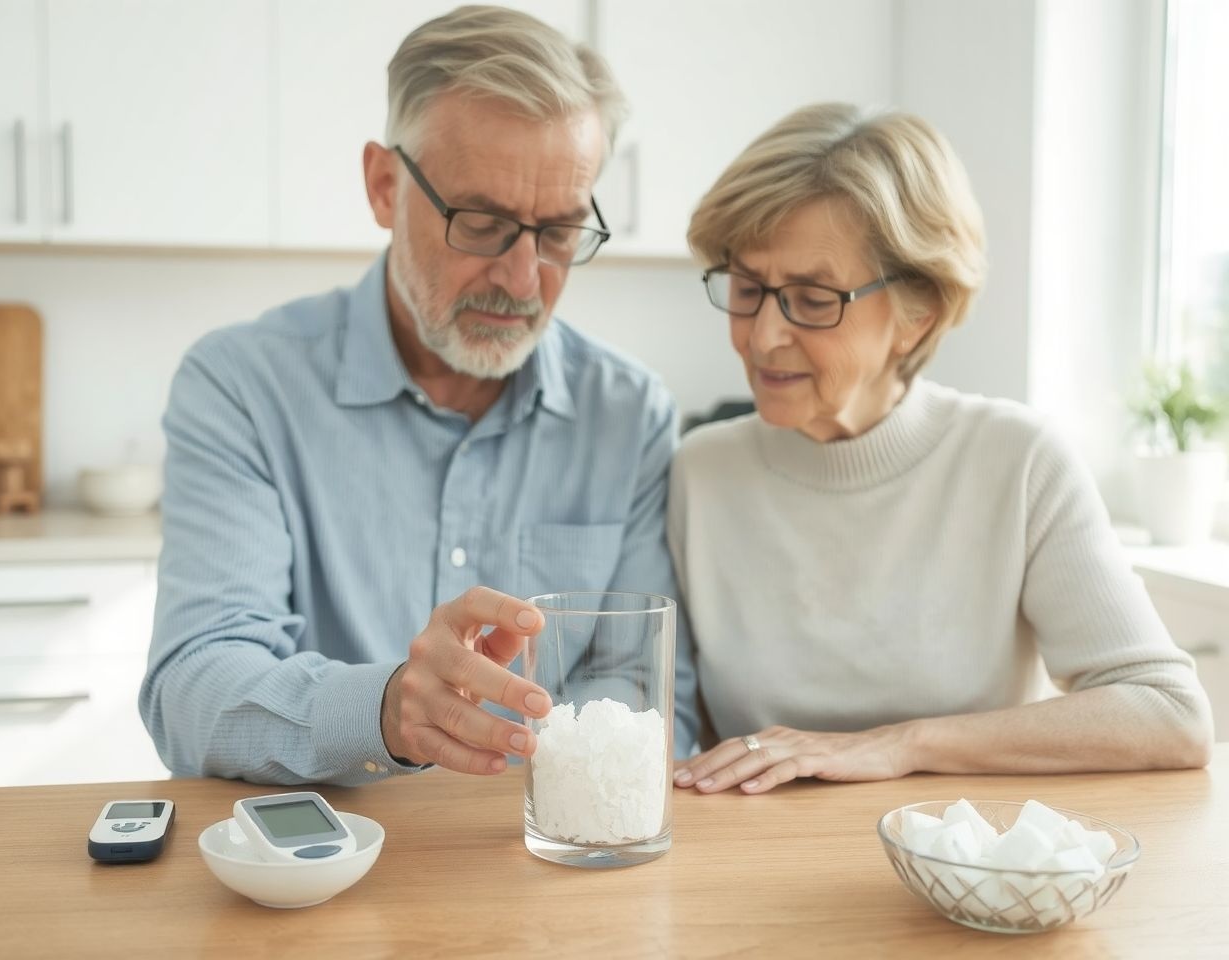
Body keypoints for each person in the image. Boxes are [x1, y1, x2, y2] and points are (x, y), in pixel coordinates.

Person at [140, 5, 696, 786]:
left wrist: (560, 763)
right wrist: (390, 708)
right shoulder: (242, 387)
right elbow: (192, 689)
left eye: (562, 232)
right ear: (383, 185)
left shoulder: (629, 415)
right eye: (481, 223)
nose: (523, 278)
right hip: (315, 880)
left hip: (544, 870)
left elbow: (646, 688)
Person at [668, 102, 1214, 795]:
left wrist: (900, 745)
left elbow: (1169, 714)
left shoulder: (1018, 462)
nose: (762, 335)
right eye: (748, 288)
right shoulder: (700, 470)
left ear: (917, 309)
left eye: (811, 299)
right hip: (760, 867)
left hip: (967, 869)